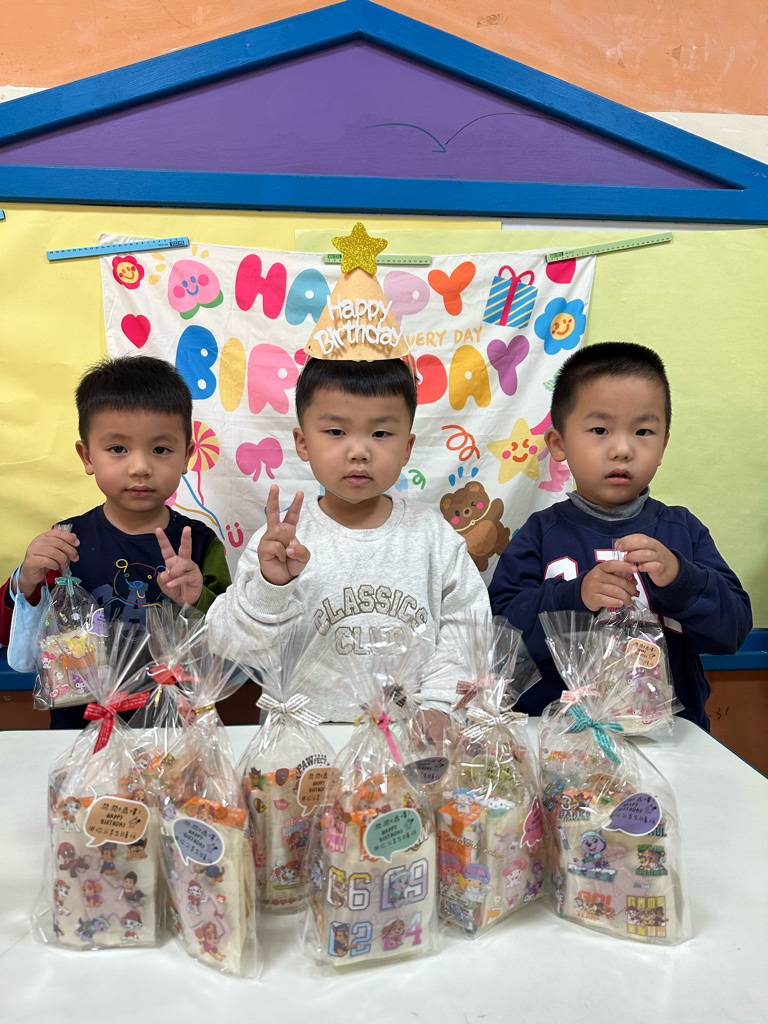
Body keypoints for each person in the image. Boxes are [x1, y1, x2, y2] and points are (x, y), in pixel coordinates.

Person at [205, 357, 491, 722]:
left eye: (381, 434)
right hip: (303, 742)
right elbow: (229, 646)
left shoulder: (433, 538)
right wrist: (270, 588)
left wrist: (440, 707)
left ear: (407, 448)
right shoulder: (278, 547)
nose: (359, 451)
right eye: (336, 431)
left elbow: (469, 632)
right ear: (302, 442)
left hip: (413, 739)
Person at [488, 341, 752, 729]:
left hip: (672, 738)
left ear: (663, 445)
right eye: (600, 430)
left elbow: (732, 633)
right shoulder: (540, 534)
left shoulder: (683, 531)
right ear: (559, 444)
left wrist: (681, 579)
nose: (623, 449)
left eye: (643, 431)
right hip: (557, 738)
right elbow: (500, 640)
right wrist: (573, 596)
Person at [0, 355, 231, 727]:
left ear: (187, 456)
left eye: (161, 449)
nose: (140, 467)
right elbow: (16, 644)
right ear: (87, 456)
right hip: (81, 729)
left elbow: (231, 642)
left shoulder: (200, 544)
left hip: (172, 734)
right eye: (118, 449)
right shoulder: (64, 542)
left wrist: (196, 599)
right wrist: (26, 581)